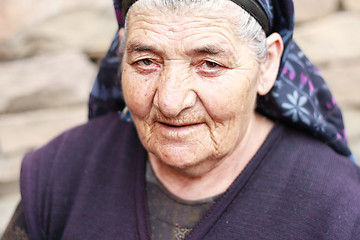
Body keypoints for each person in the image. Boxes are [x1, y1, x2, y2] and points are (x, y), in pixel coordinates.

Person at [2, 0, 360, 239]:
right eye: (146, 62)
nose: (171, 102)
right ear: (122, 51)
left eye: (209, 64)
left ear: (267, 63)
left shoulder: (340, 207)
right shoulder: (61, 171)